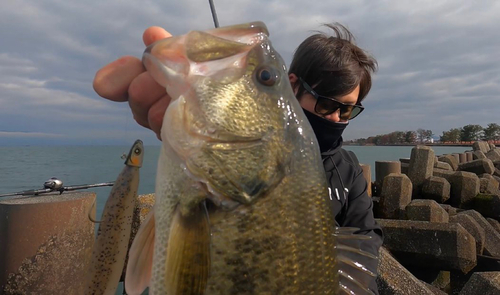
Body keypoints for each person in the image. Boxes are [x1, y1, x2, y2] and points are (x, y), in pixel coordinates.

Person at [93, 23, 383, 294]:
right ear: (293, 86)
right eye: (327, 104)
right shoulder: (257, 149)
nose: (335, 118)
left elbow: (365, 242)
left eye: (347, 111)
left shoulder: (348, 169)